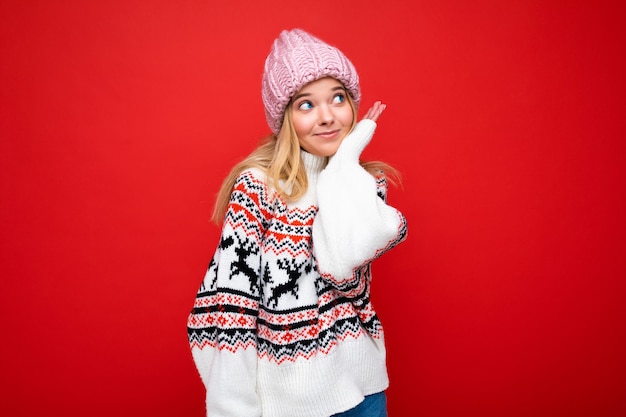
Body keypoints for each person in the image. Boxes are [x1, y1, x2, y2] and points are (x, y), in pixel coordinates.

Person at [187, 28, 408, 417]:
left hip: (364, 392)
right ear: (285, 117)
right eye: (306, 105)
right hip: (289, 406)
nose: (327, 117)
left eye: (337, 98)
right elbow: (228, 311)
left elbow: (340, 268)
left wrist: (345, 159)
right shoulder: (258, 188)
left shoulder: (361, 183)